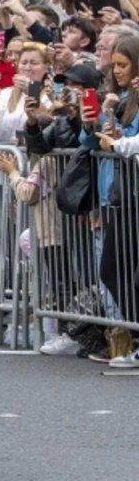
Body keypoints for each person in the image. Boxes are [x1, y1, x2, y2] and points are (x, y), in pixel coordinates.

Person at [83, 35, 139, 366]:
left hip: (130, 193)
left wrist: (116, 144)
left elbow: (130, 145)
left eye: (123, 64)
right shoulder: (117, 99)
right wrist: (97, 121)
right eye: (114, 65)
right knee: (110, 270)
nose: (116, 71)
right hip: (120, 195)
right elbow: (89, 143)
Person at [0, 43, 52, 143]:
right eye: (23, 63)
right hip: (4, 155)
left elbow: (48, 122)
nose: (28, 67)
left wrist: (31, 92)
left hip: (34, 155)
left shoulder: (50, 93)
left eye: (34, 63)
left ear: (46, 67)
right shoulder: (6, 92)